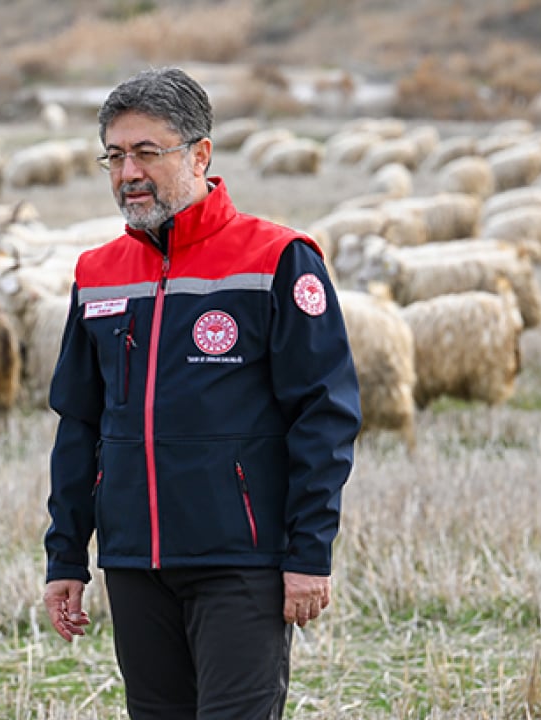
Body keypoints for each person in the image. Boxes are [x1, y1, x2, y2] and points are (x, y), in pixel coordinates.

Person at [42, 67, 362, 719]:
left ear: (200, 154)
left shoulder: (278, 258)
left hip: (240, 562)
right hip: (132, 562)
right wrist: (66, 556)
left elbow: (323, 415)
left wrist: (309, 553)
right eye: (114, 155)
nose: (128, 172)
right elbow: (78, 424)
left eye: (146, 153)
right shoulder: (96, 274)